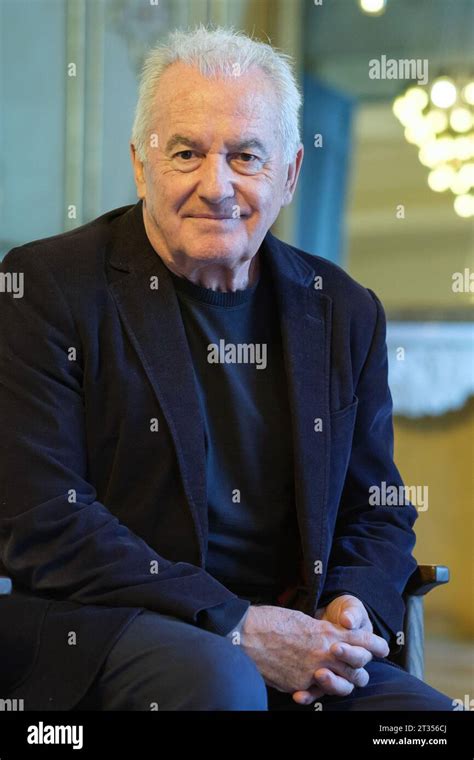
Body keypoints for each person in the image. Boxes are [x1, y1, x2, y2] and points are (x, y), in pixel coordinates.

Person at [0, 25, 453, 711]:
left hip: (298, 636)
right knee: (223, 681)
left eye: (246, 156)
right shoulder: (46, 287)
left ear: (292, 173)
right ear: (140, 163)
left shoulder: (343, 311)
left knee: (423, 720)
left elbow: (377, 508)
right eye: (186, 153)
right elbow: (43, 520)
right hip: (106, 630)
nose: (217, 186)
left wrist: (352, 611)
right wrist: (238, 627)